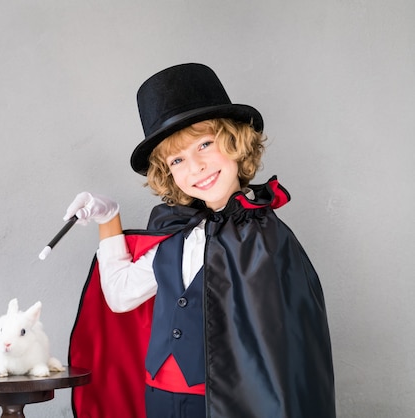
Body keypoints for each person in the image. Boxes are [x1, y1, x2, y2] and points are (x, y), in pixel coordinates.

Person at [67, 63, 335, 418]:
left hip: (227, 404)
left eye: (205, 144)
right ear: (168, 173)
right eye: (178, 159)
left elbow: (283, 354)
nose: (195, 167)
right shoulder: (175, 235)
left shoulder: (268, 242)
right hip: (159, 397)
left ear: (235, 142)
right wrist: (109, 218)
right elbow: (119, 296)